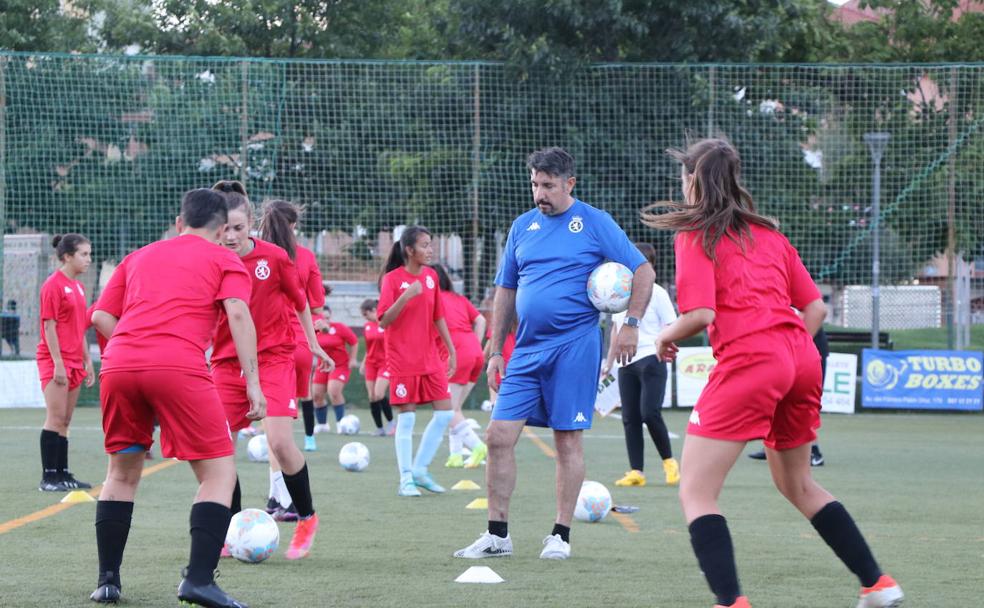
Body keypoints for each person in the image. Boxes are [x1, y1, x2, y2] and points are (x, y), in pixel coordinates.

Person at [644, 138, 903, 608]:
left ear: (692, 180)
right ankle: (878, 584)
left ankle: (731, 603)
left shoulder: (694, 234)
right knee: (798, 484)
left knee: (696, 492)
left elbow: (700, 314)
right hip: (801, 358)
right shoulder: (770, 235)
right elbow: (816, 308)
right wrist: (787, 352)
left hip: (753, 361)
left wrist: (664, 336)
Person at [455, 147, 654, 561]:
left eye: (547, 185)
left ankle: (560, 535)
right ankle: (497, 535)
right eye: (534, 184)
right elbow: (506, 289)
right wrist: (495, 351)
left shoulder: (595, 223)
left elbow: (643, 271)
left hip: (574, 348)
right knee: (497, 436)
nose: (539, 193)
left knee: (567, 441)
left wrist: (631, 325)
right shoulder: (521, 227)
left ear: (569, 184)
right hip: (525, 352)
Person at [88, 188, 262, 607]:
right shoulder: (225, 257)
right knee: (219, 475)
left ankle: (108, 581)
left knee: (121, 474)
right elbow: (237, 311)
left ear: (180, 222)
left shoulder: (139, 255)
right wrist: (253, 383)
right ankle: (199, 580)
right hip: (178, 367)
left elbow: (100, 316)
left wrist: (137, 347)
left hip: (119, 364)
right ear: (222, 230)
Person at [210, 183, 331, 556]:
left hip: (274, 357)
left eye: (238, 228)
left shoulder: (275, 257)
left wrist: (312, 344)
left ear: (252, 225)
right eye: (224, 229)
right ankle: (230, 533)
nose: (231, 237)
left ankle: (307, 517)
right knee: (218, 451)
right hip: (227, 364)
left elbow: (300, 303)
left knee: (279, 441)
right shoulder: (209, 260)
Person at [258, 199, 330, 514]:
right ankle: (280, 497)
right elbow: (314, 306)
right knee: (279, 429)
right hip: (299, 345)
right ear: (294, 225)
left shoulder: (253, 254)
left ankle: (283, 496)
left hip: (267, 347)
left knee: (273, 430)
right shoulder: (305, 258)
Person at [377, 226, 456, 497]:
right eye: (425, 245)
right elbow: (384, 320)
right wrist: (406, 295)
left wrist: (451, 348)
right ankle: (405, 478)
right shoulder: (392, 279)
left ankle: (420, 470)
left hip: (430, 358)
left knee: (445, 413)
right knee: (407, 419)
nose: (430, 249)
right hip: (402, 360)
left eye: (431, 244)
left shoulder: (432, 277)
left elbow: (438, 316)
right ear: (409, 250)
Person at [600, 242, 680, 487]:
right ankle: (636, 471)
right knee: (630, 417)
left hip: (651, 358)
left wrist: (664, 345)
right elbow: (616, 331)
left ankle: (669, 462)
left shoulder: (657, 292)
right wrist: (609, 362)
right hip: (626, 362)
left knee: (650, 412)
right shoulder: (620, 295)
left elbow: (670, 324)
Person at [36, 233, 95, 492]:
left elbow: (79, 328)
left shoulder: (80, 287)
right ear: (67, 256)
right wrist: (58, 362)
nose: (88, 259)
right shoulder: (53, 285)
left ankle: (62, 474)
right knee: (55, 418)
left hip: (74, 361)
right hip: (54, 360)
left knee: (66, 420)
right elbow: (49, 326)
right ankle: (48, 477)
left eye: (89, 254)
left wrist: (87, 361)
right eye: (84, 254)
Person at [432, 263, 488, 469]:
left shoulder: (432, 300)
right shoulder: (459, 299)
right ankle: (455, 456)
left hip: (456, 354)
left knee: (447, 410)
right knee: (454, 409)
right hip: (474, 352)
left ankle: (478, 447)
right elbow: (481, 320)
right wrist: (476, 344)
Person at [747, 326, 828, 466]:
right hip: (791, 353)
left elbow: (817, 311)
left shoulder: (803, 306)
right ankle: (775, 445)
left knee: (804, 407)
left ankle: (813, 451)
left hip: (805, 354)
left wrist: (793, 345)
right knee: (777, 403)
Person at [311, 305, 358, 432]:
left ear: (330, 316)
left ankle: (341, 423)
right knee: (316, 395)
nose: (325, 320)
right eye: (322, 318)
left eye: (327, 317)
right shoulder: (314, 330)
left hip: (340, 365)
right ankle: (322, 424)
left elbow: (354, 342)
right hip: (323, 366)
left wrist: (353, 359)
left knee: (334, 391)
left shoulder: (339, 328)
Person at [358, 298, 395, 436]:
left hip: (385, 363)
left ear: (374, 311)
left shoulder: (386, 324)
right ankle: (379, 428)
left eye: (365, 314)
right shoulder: (367, 326)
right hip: (371, 364)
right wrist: (363, 363)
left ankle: (392, 423)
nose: (364, 318)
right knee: (372, 397)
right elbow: (369, 348)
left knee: (379, 394)